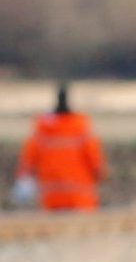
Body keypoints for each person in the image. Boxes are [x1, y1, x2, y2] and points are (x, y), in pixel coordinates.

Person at [21, 84, 106, 213]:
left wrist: (24, 178)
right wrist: (100, 173)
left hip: (52, 195)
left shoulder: (42, 127)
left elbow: (29, 157)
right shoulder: (80, 125)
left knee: (54, 228)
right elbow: (94, 156)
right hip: (80, 196)